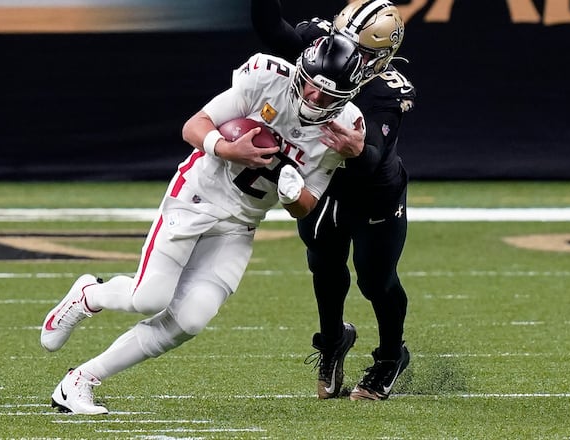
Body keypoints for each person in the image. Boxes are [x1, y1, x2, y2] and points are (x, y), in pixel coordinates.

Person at [39, 34, 367, 414]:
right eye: (310, 84)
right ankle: (88, 295)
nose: (313, 97)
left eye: (327, 95)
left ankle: (80, 380)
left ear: (345, 96)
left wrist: (293, 194)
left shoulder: (345, 128)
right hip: (196, 196)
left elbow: (306, 206)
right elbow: (195, 125)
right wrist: (227, 149)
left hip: (241, 223)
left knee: (190, 319)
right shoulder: (266, 79)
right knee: (148, 298)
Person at [251, 0, 416, 401]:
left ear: (383, 56)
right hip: (322, 183)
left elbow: (371, 158)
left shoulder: (387, 91)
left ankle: (391, 356)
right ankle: (332, 341)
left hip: (373, 193)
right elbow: (272, 30)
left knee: (375, 280)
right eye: (345, 44)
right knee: (323, 266)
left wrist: (357, 150)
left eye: (362, 53)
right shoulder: (320, 44)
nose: (349, 57)